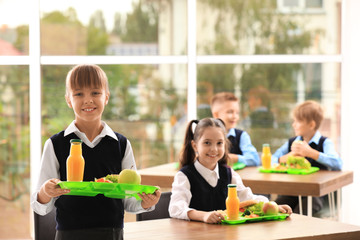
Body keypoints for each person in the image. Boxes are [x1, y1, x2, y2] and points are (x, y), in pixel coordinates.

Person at [31, 64, 161, 240]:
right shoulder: (55, 144)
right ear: (68, 100)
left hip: (112, 234)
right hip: (69, 235)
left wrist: (146, 203)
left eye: (95, 93)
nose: (88, 100)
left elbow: (130, 202)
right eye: (78, 94)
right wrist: (45, 192)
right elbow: (40, 206)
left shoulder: (121, 144)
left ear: (106, 97)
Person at [168, 118, 292, 224]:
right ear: (195, 145)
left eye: (219, 143)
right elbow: (176, 208)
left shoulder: (229, 173)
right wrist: (204, 216)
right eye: (207, 143)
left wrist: (274, 207)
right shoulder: (185, 175)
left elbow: (247, 198)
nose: (214, 149)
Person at [273, 100, 342, 215]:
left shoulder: (324, 142)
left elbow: (337, 163)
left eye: (298, 121)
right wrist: (286, 157)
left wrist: (311, 153)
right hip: (292, 192)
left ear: (311, 125)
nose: (293, 124)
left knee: (300, 213)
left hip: (316, 195)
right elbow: (272, 159)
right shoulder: (292, 142)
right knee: (276, 208)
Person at [210, 92, 260, 166]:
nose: (235, 116)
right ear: (216, 115)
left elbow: (254, 160)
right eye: (230, 112)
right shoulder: (206, 136)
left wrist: (233, 158)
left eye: (237, 112)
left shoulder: (242, 136)